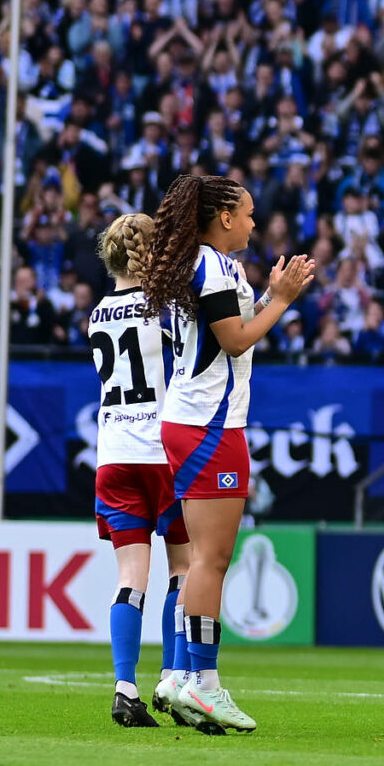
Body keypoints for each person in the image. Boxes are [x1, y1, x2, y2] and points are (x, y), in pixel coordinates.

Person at [137, 172, 317, 735]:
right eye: (248, 213)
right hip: (211, 424)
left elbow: (226, 332)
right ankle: (206, 684)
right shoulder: (212, 265)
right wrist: (282, 302)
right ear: (223, 219)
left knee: (198, 562)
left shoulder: (211, 265)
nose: (254, 223)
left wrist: (266, 295)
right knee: (211, 561)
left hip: (193, 420)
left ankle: (179, 676)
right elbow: (236, 339)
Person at [86, 212, 196, 728]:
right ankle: (172, 680)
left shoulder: (97, 315)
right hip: (165, 453)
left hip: (114, 454)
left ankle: (124, 686)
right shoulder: (168, 310)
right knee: (184, 569)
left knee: (130, 578)